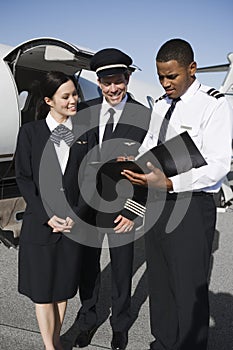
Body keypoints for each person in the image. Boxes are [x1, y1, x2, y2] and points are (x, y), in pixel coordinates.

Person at [122, 39, 233, 350]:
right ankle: (164, 341)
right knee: (161, 281)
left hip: (192, 205)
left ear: (192, 69)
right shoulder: (160, 104)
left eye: (172, 76)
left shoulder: (213, 105)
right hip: (159, 203)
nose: (165, 83)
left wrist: (172, 184)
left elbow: (219, 164)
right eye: (161, 77)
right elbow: (149, 147)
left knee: (189, 288)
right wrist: (133, 165)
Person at [73, 48, 151, 350]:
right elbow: (69, 157)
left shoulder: (143, 118)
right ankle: (88, 319)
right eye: (106, 83)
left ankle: (120, 325)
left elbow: (150, 168)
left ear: (128, 78)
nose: (113, 88)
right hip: (87, 207)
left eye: (118, 81)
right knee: (88, 269)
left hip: (122, 209)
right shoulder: (85, 112)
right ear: (99, 82)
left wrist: (133, 211)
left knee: (121, 271)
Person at [15, 71, 96, 350]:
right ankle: (50, 347)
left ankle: (57, 341)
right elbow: (24, 179)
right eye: (66, 96)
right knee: (42, 294)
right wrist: (47, 215)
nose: (74, 100)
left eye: (75, 94)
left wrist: (76, 214)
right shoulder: (31, 133)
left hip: (72, 227)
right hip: (40, 226)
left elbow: (90, 181)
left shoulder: (85, 135)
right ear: (49, 100)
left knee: (62, 292)